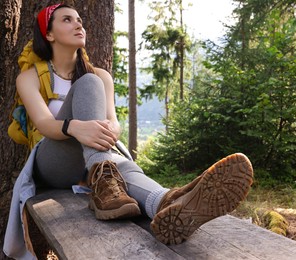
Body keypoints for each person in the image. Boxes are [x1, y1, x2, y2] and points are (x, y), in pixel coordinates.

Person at [4, 3, 253, 258]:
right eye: (67, 20)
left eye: (79, 19)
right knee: (89, 86)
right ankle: (106, 181)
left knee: (119, 163)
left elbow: (114, 123)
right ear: (49, 34)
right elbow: (45, 125)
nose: (79, 24)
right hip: (54, 162)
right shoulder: (30, 77)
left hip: (94, 163)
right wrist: (76, 127)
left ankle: (169, 204)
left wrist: (110, 130)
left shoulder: (102, 75)